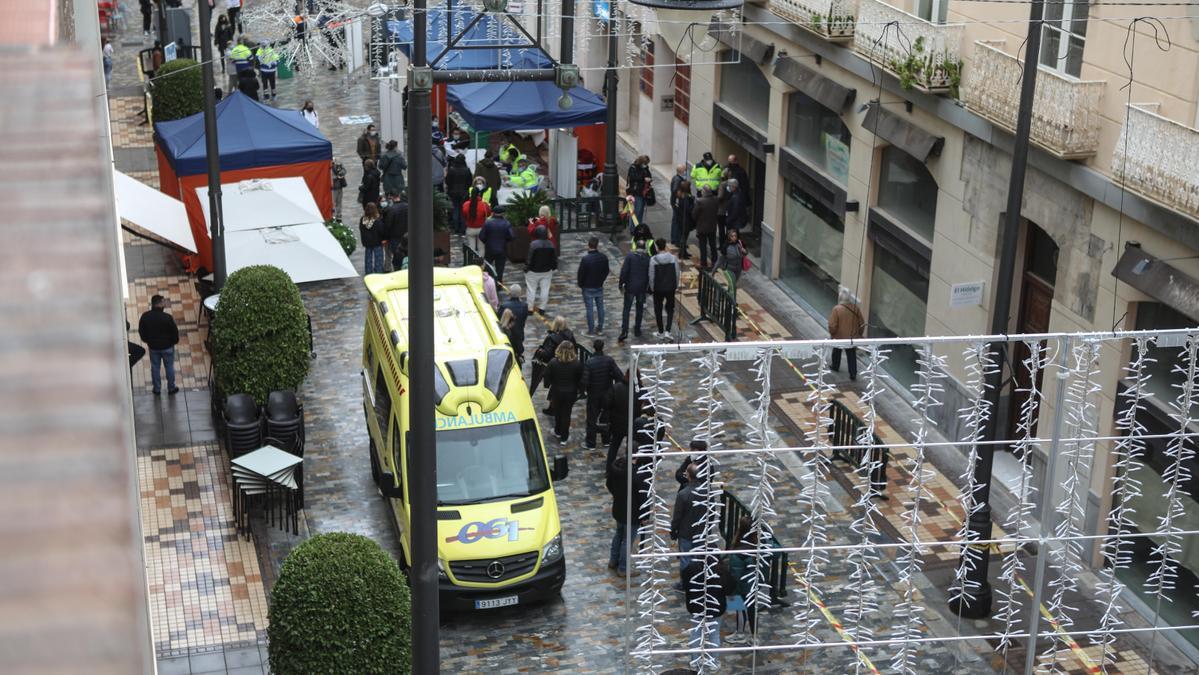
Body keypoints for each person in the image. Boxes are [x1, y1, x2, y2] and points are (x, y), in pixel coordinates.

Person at [606, 441, 650, 574]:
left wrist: (618, 495)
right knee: (627, 541)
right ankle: (623, 569)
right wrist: (645, 516)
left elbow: (609, 484)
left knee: (619, 534)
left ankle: (613, 560)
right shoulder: (638, 474)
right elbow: (643, 498)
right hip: (632, 513)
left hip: (619, 509)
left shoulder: (616, 467)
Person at [683, 556, 735, 661]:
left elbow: (685, 585)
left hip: (696, 607)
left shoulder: (691, 567)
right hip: (716, 608)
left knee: (696, 634)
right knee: (714, 634)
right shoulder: (721, 568)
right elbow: (729, 588)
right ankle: (713, 663)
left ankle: (694, 661)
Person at [582, 339, 623, 450]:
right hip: (607, 394)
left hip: (594, 395)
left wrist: (585, 390)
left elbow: (585, 381)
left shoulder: (589, 363)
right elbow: (619, 375)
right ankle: (606, 440)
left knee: (591, 419)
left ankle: (591, 443)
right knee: (606, 417)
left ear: (594, 347)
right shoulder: (609, 361)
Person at [671, 460, 705, 583]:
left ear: (688, 475)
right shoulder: (707, 492)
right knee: (699, 558)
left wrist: (673, 530)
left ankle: (685, 584)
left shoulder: (683, 494)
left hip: (685, 532)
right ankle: (698, 582)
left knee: (685, 559)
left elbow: (677, 516)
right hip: (701, 531)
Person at [138, 294, 180, 395]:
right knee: (169, 366)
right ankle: (171, 388)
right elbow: (175, 333)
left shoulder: (145, 317)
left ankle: (157, 389)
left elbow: (141, 332)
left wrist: (147, 341)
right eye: (164, 302)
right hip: (168, 347)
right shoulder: (167, 318)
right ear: (160, 304)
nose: (165, 303)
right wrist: (173, 342)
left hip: (153, 347)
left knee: (155, 367)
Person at [545, 340, 583, 443]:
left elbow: (547, 377)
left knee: (558, 412)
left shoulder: (553, 362)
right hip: (571, 393)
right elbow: (579, 378)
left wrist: (550, 384)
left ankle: (557, 431)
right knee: (566, 414)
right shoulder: (577, 364)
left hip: (557, 391)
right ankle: (564, 438)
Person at [828, 287, 866, 381]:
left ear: (840, 298)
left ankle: (835, 366)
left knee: (836, 351)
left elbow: (832, 326)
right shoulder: (855, 308)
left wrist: (833, 335)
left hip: (839, 337)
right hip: (852, 337)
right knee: (851, 355)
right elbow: (862, 323)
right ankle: (853, 374)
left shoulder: (836, 309)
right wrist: (859, 334)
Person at [530, 317, 574, 397]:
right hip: (567, 362)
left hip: (553, 364)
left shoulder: (552, 338)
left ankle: (530, 395)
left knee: (535, 379)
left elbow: (547, 354)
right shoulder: (570, 335)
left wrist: (539, 351)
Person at [576, 236, 609, 337]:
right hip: (598, 285)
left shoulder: (586, 259)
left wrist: (581, 284)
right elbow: (606, 271)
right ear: (597, 245)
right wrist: (601, 280)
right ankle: (600, 328)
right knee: (600, 308)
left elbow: (581, 274)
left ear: (588, 245)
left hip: (587, 287)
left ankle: (591, 330)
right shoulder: (603, 257)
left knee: (589, 309)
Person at [618, 243, 651, 342]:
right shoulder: (647, 258)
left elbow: (624, 271)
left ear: (636, 248)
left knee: (626, 309)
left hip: (630, 287)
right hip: (641, 288)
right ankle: (637, 329)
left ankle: (624, 331)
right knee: (639, 308)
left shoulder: (630, 257)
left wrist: (621, 283)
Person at [649, 238, 680, 340]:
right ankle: (668, 330)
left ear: (657, 247)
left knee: (658, 309)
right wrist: (676, 285)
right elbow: (677, 273)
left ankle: (661, 331)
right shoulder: (673, 258)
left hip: (658, 288)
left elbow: (651, 275)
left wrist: (652, 287)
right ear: (665, 246)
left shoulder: (653, 260)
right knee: (670, 308)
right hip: (670, 287)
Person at [525, 226, 557, 315]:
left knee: (531, 289)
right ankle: (542, 308)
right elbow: (554, 259)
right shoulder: (551, 244)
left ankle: (530, 308)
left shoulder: (533, 244)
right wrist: (554, 268)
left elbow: (529, 258)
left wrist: (526, 268)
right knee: (545, 289)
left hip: (533, 271)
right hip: (546, 271)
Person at [479, 207, 514, 282]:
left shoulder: (487, 222)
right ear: (503, 214)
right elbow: (512, 236)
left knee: (487, 267)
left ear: (493, 213)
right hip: (502, 249)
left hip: (489, 249)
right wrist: (505, 241)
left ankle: (486, 282)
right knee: (500, 269)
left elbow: (481, 236)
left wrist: (487, 242)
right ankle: (498, 284)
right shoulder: (506, 223)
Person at [498, 284, 529, 362]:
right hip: (519, 334)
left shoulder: (504, 306)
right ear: (520, 293)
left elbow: (498, 319)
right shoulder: (524, 306)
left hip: (507, 336)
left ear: (510, 293)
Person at [445, 154, 473, 235]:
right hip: (464, 193)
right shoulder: (467, 170)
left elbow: (447, 181)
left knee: (455, 209)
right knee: (463, 210)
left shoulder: (451, 169)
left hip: (453, 193)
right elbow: (470, 182)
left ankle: (456, 228)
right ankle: (463, 228)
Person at [692, 186, 719, 270]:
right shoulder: (716, 199)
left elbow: (694, 214)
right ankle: (715, 261)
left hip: (702, 227)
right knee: (713, 245)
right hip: (712, 226)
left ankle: (704, 263)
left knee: (703, 246)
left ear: (704, 192)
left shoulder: (699, 201)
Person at [382, 193, 408, 271]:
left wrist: (386, 236)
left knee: (397, 257)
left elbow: (388, 225)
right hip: (407, 235)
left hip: (395, 237)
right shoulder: (408, 206)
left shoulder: (392, 209)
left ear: (392, 198)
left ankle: (399, 271)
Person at [461, 185, 491, 253]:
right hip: (481, 229)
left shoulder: (466, 204)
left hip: (470, 229)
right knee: (482, 248)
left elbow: (464, 215)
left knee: (471, 248)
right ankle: (481, 263)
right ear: (479, 194)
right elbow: (488, 214)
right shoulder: (484, 205)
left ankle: (472, 262)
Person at [717, 229, 747, 294]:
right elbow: (722, 258)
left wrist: (744, 251)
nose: (734, 238)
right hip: (729, 268)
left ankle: (725, 295)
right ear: (729, 237)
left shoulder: (739, 243)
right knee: (733, 286)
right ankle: (732, 301)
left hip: (738, 268)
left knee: (732, 284)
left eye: (735, 236)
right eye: (732, 236)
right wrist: (715, 270)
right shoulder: (726, 246)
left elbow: (744, 254)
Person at [359, 202, 384, 275]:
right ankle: (378, 272)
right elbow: (381, 231)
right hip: (377, 241)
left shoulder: (362, 219)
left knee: (368, 258)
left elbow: (361, 229)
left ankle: (368, 271)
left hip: (367, 242)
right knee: (378, 258)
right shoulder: (377, 220)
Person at [627, 155, 652, 224]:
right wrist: (643, 179)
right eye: (645, 163)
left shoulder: (645, 168)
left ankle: (638, 226)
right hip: (636, 192)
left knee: (641, 211)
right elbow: (632, 177)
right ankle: (633, 228)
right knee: (636, 211)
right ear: (641, 162)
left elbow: (649, 175)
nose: (646, 165)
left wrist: (649, 178)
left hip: (643, 192)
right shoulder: (633, 167)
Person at [674, 181, 696, 260]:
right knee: (684, 237)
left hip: (680, 219)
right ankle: (682, 253)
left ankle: (683, 252)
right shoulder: (686, 198)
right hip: (685, 220)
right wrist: (693, 203)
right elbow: (689, 209)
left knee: (683, 236)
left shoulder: (679, 195)